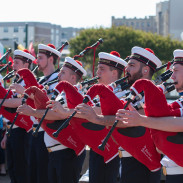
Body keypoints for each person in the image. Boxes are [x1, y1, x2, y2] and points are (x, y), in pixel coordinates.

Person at [75, 46, 162, 183]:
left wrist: (97, 119)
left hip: (143, 161)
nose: (126, 70)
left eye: (132, 66)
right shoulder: (130, 94)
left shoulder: (153, 94)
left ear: (145, 70)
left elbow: (126, 119)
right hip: (127, 158)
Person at [49, 51, 128, 183]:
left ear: (114, 73)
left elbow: (97, 110)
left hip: (114, 152)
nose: (97, 73)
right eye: (98, 68)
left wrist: (65, 112)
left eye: (102, 69)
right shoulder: (96, 94)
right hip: (97, 147)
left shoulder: (124, 94)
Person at [116, 49, 183, 183]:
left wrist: (141, 120)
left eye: (175, 71)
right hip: (171, 170)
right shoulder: (178, 102)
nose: (172, 76)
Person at [17, 55, 87, 183]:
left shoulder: (76, 95)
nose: (59, 74)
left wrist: (33, 112)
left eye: (63, 72)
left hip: (67, 151)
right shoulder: (61, 94)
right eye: (60, 71)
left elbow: (59, 114)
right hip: (55, 152)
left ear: (72, 78)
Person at [0, 49, 35, 183]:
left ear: (26, 65)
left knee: (21, 171)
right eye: (13, 62)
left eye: (17, 62)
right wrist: (6, 134)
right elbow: (10, 111)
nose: (13, 65)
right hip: (12, 130)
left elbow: (22, 102)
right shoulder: (16, 83)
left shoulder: (28, 84)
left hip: (23, 131)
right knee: (13, 169)